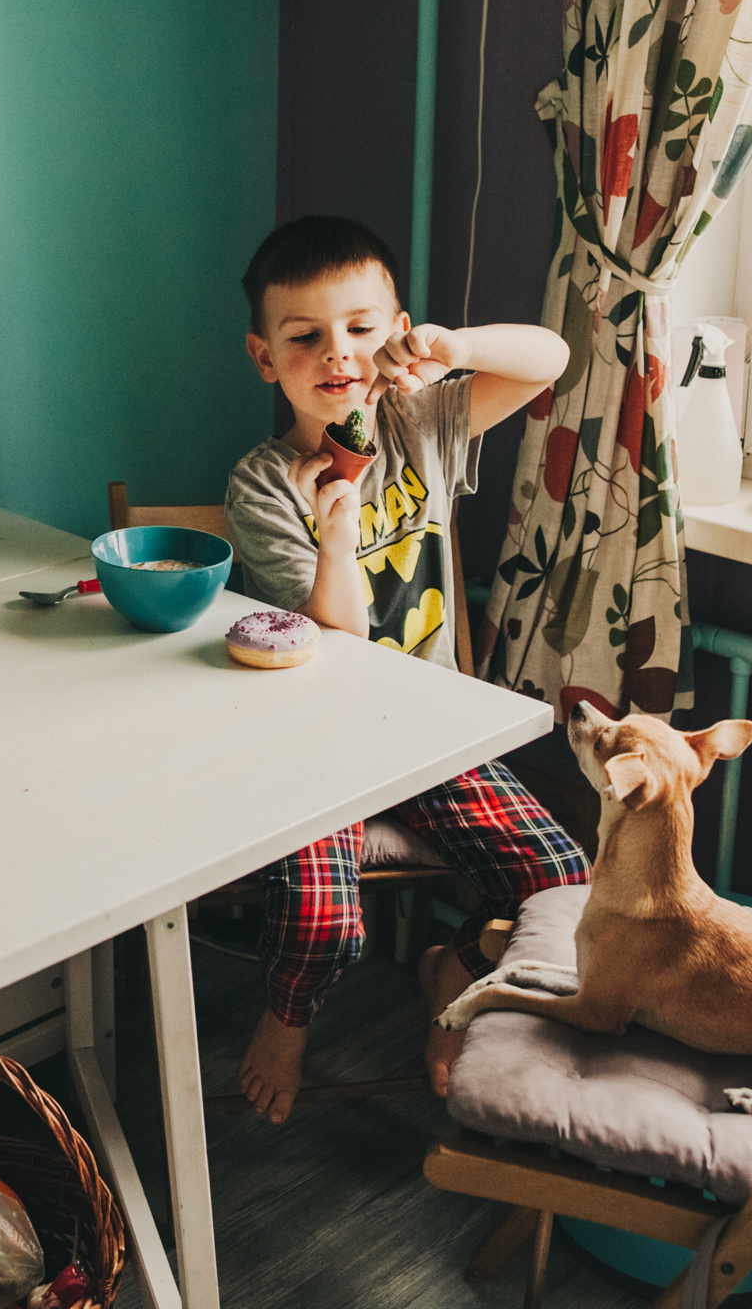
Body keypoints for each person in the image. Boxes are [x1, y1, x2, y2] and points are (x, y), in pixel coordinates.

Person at [222, 215, 589, 1125]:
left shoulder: (424, 422)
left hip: (424, 738)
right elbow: (332, 645)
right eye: (304, 337)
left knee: (561, 879)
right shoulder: (262, 485)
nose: (336, 353)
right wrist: (337, 535)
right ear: (266, 359)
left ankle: (454, 973)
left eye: (360, 327)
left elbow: (553, 358)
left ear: (394, 330)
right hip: (314, 744)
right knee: (321, 920)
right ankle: (287, 1016)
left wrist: (451, 347)